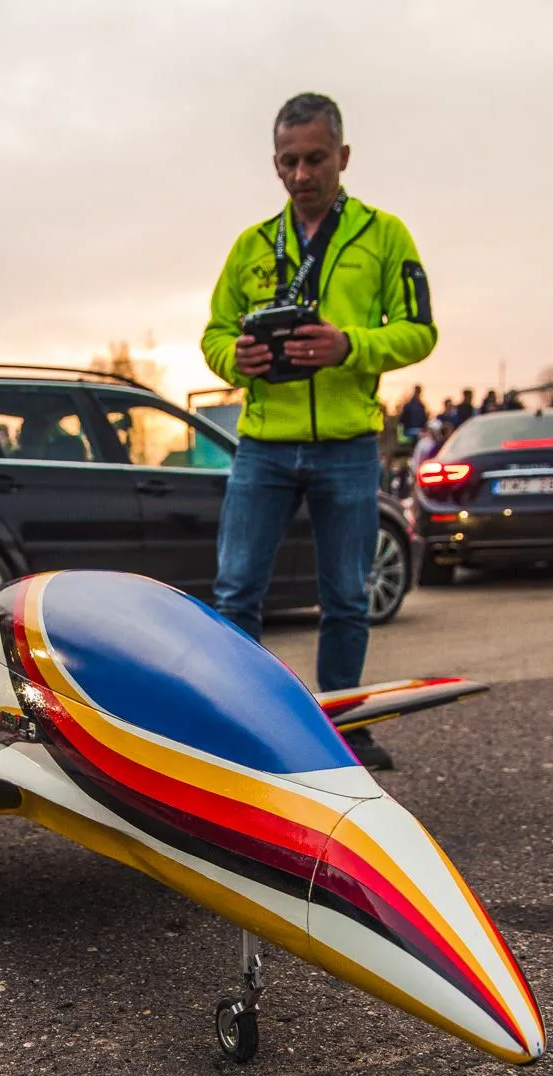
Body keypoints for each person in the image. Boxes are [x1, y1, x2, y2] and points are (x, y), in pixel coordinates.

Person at [199, 92, 436, 772]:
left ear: (344, 157)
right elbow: (214, 332)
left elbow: (420, 329)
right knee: (236, 591)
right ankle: (240, 725)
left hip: (347, 445)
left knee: (346, 594)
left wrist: (349, 346)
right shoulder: (251, 244)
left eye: (314, 159)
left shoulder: (385, 236)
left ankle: (345, 729)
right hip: (265, 445)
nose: (301, 176)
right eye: (287, 162)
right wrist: (231, 359)